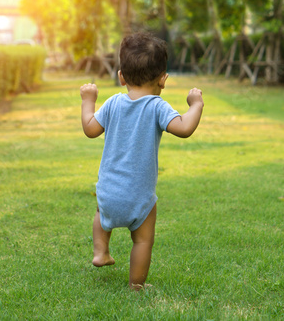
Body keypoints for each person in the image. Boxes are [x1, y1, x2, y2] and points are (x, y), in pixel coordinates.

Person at [80, 32, 204, 290]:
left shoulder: (113, 102)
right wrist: (195, 105)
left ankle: (101, 251)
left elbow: (91, 129)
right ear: (163, 79)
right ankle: (136, 285)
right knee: (143, 241)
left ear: (121, 76)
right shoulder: (157, 106)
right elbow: (183, 128)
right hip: (140, 197)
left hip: (109, 193)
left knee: (101, 213)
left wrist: (88, 101)